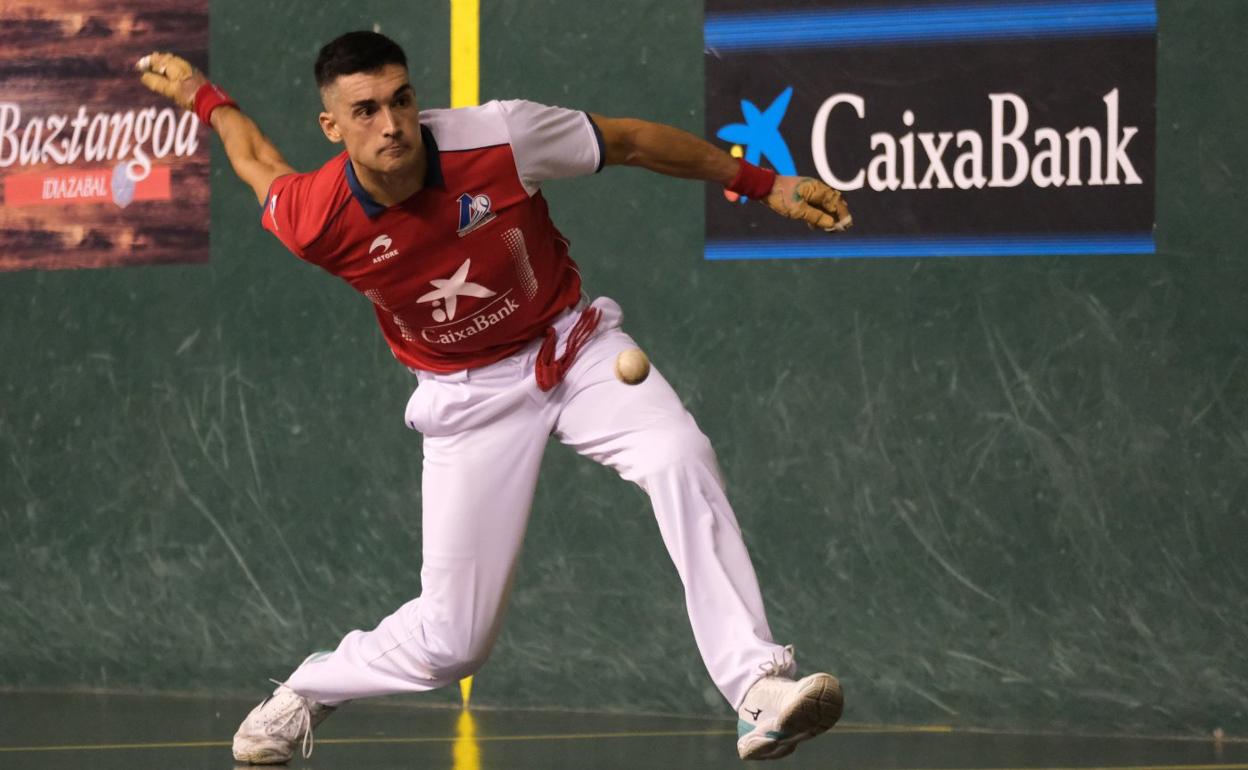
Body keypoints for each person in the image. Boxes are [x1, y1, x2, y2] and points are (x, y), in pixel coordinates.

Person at [137, 31, 851, 765]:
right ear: (333, 127)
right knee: (454, 643)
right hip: (464, 396)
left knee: (679, 454)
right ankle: (311, 688)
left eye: (401, 100)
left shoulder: (501, 137)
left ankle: (757, 685)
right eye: (366, 110)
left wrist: (768, 184)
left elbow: (632, 140)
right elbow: (257, 162)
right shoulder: (316, 217)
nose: (391, 124)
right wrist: (204, 95)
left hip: (571, 347)